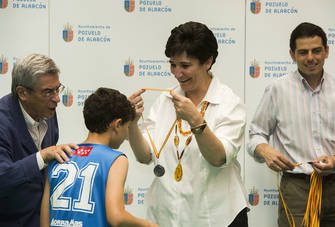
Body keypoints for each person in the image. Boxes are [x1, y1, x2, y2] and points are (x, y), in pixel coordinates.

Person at [128, 21, 248, 227]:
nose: (177, 73)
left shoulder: (229, 102)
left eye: (185, 65)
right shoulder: (165, 100)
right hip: (168, 217)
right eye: (173, 64)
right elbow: (144, 155)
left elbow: (219, 157)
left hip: (217, 218)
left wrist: (196, 121)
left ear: (208, 62)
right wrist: (132, 123)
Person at [247, 22, 335, 227]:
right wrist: (265, 151)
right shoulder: (277, 89)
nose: (310, 58)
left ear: (327, 51)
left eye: (316, 51)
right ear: (292, 55)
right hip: (297, 189)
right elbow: (255, 134)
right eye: (303, 52)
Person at [40, 87, 159, 227]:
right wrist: (149, 225)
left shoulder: (59, 156)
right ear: (117, 124)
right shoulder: (116, 159)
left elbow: (44, 221)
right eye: (127, 127)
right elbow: (116, 217)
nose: (126, 134)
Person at [0, 53, 77, 227]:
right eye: (48, 92)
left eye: (58, 89)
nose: (57, 98)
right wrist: (42, 156)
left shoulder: (47, 110)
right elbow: (2, 178)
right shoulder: (2, 121)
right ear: (22, 93)